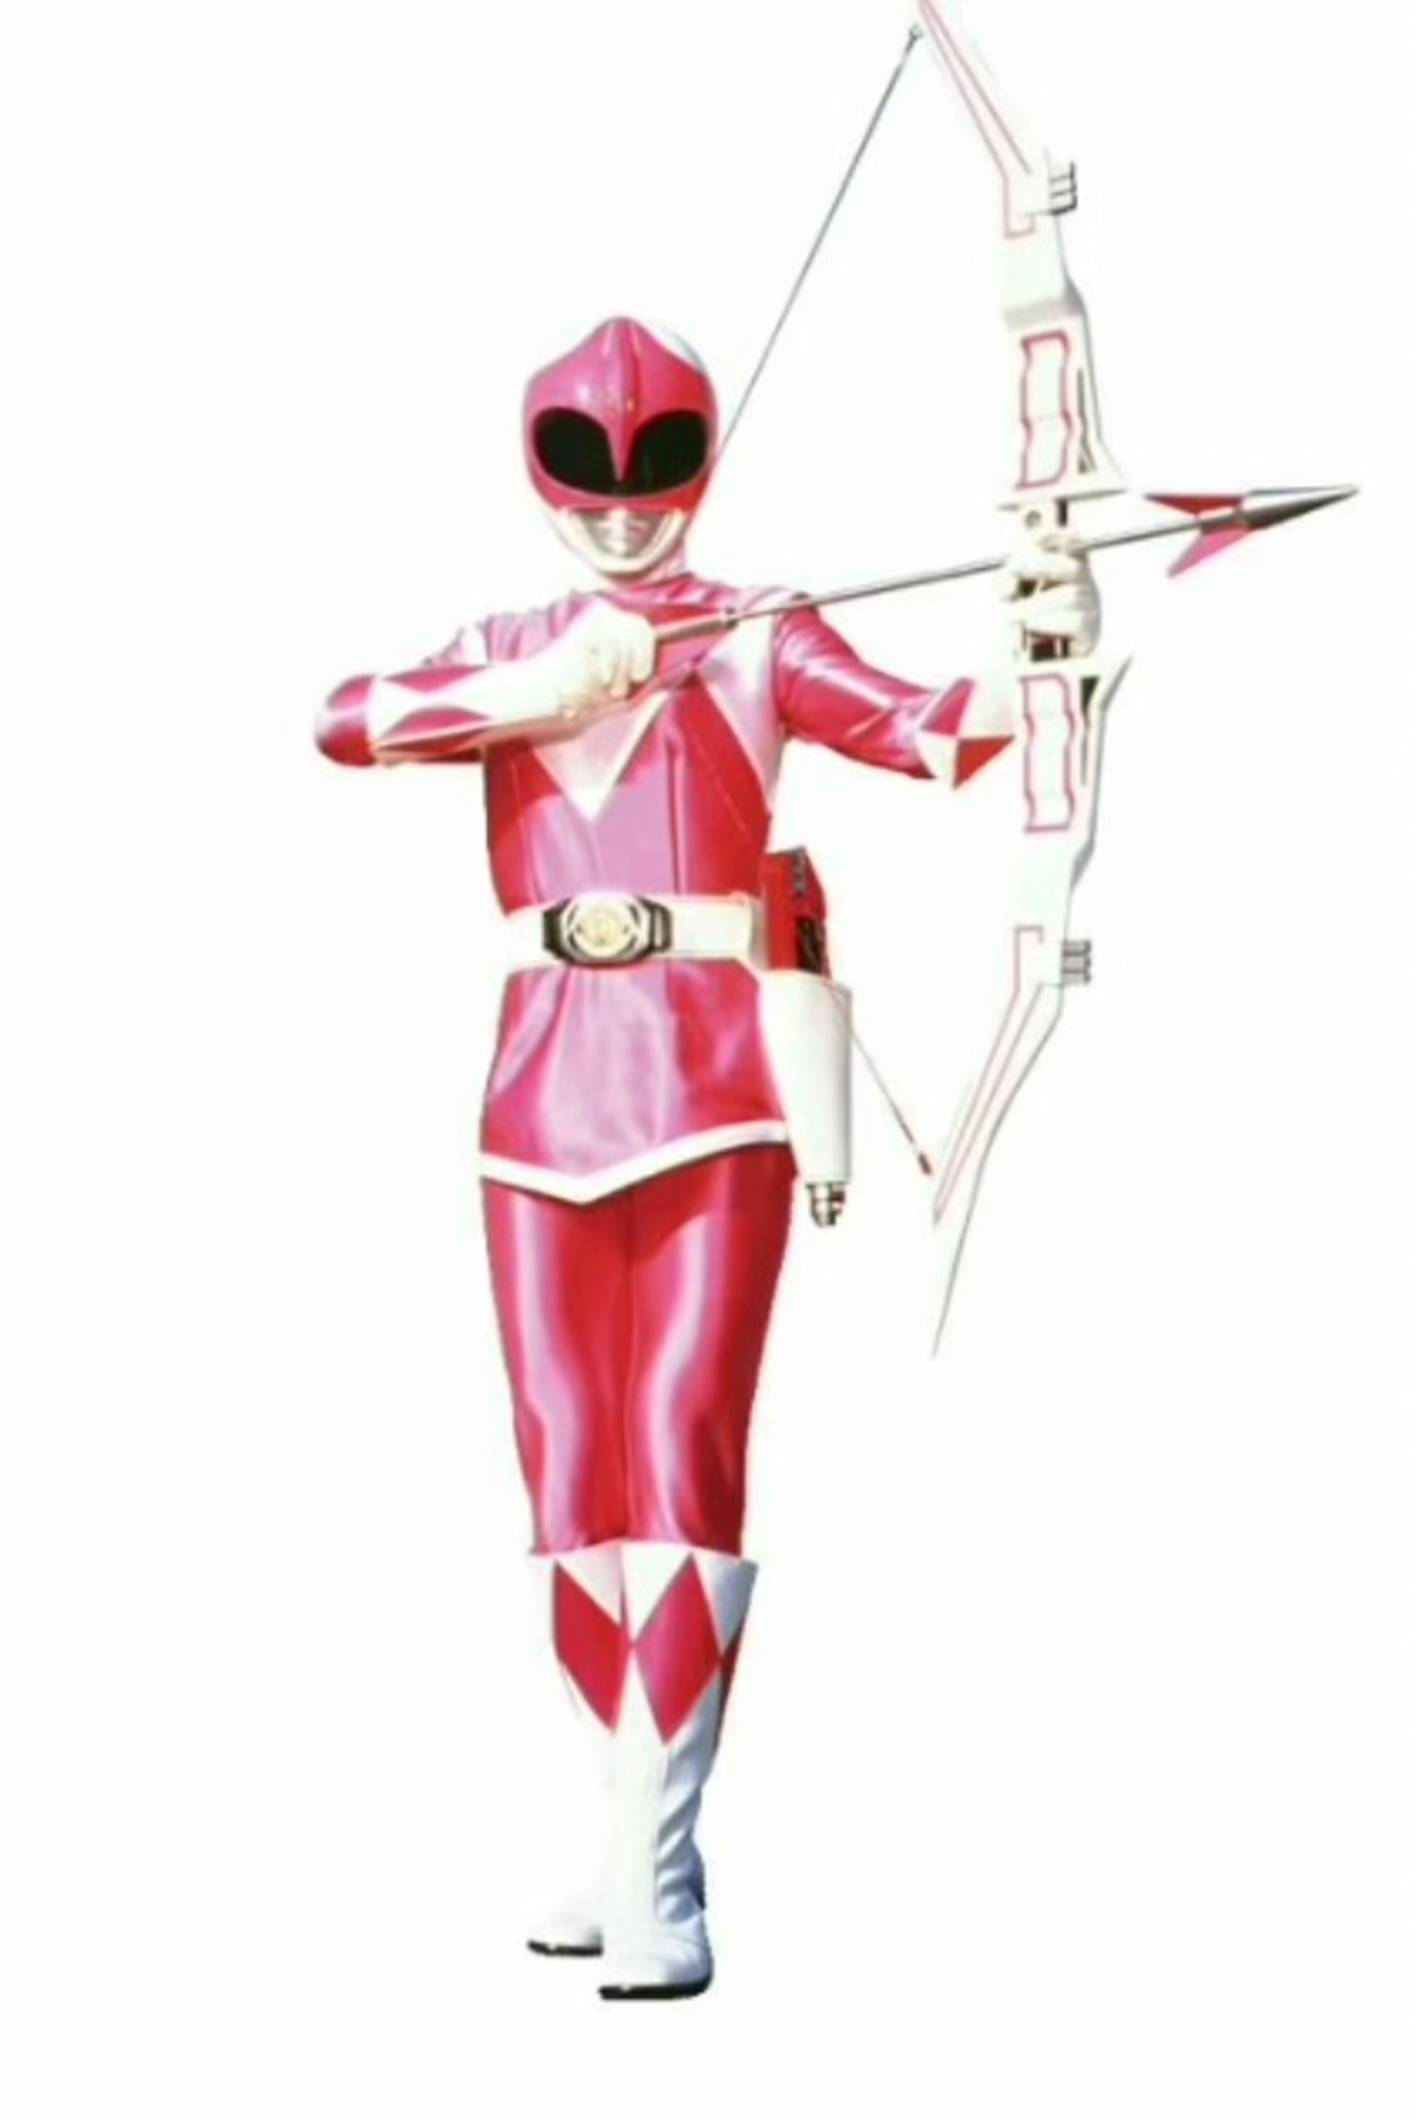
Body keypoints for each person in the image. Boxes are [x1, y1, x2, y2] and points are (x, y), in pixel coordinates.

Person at [317, 315, 1098, 2000]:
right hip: (538, 1099)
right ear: (542, 475)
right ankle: (622, 1826)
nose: (622, 508)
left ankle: (661, 1867)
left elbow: (936, 732)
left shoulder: (758, 633)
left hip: (719, 1090)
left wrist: (1047, 637)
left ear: (701, 463)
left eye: (656, 467)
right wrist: (536, 690)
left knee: (681, 1448)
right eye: (587, 472)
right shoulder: (510, 645)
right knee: (565, 1475)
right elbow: (345, 720)